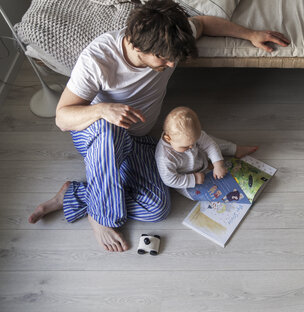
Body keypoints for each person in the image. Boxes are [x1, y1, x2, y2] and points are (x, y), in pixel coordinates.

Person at [27, 0, 290, 252]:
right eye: (164, 59)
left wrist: (251, 34)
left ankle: (76, 194)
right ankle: (101, 215)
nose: (172, 64)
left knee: (157, 208)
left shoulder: (167, 37)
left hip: (138, 137)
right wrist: (103, 109)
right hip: (98, 136)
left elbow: (205, 23)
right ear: (138, 47)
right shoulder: (97, 60)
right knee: (109, 132)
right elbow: (62, 118)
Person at [155, 106, 257, 199]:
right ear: (168, 139)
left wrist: (218, 165)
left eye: (194, 142)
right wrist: (193, 179)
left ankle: (235, 149)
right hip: (185, 176)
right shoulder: (165, 158)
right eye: (186, 146)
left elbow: (210, 145)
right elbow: (170, 180)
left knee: (212, 142)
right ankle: (204, 173)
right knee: (197, 192)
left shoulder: (190, 137)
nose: (191, 147)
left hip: (200, 158)